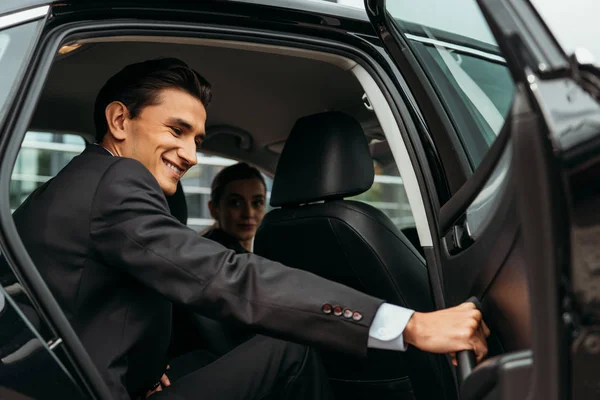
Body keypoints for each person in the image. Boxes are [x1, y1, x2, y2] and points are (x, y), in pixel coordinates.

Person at [12, 58, 489, 400]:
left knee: (197, 364)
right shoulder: (118, 181)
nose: (192, 154)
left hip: (73, 378)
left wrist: (136, 371)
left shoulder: (69, 186)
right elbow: (227, 277)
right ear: (119, 120)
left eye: (197, 139)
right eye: (176, 131)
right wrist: (410, 324)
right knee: (288, 354)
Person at [203, 162, 267, 253]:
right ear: (213, 209)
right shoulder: (213, 257)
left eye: (257, 203)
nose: (248, 213)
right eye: (235, 203)